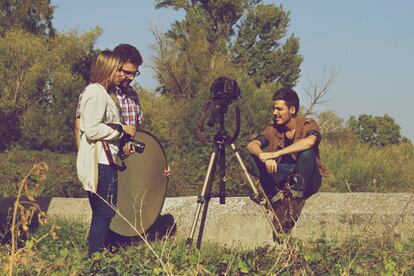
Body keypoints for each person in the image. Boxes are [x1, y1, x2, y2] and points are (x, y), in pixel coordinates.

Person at [76, 50, 135, 256]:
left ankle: (96, 257)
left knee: (103, 213)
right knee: (104, 213)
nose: (121, 74)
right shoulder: (96, 92)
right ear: (108, 69)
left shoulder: (102, 93)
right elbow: (91, 129)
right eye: (118, 69)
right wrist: (121, 129)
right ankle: (95, 258)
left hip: (105, 159)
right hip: (101, 161)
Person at [247, 88, 328, 227]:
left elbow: (310, 141)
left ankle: (294, 202)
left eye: (279, 109)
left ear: (292, 110)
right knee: (252, 157)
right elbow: (252, 144)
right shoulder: (273, 128)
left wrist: (276, 154)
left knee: (306, 153)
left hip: (308, 176)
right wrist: (263, 156)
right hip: (285, 175)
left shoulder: (307, 124)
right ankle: (276, 200)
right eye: (274, 109)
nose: (274, 113)